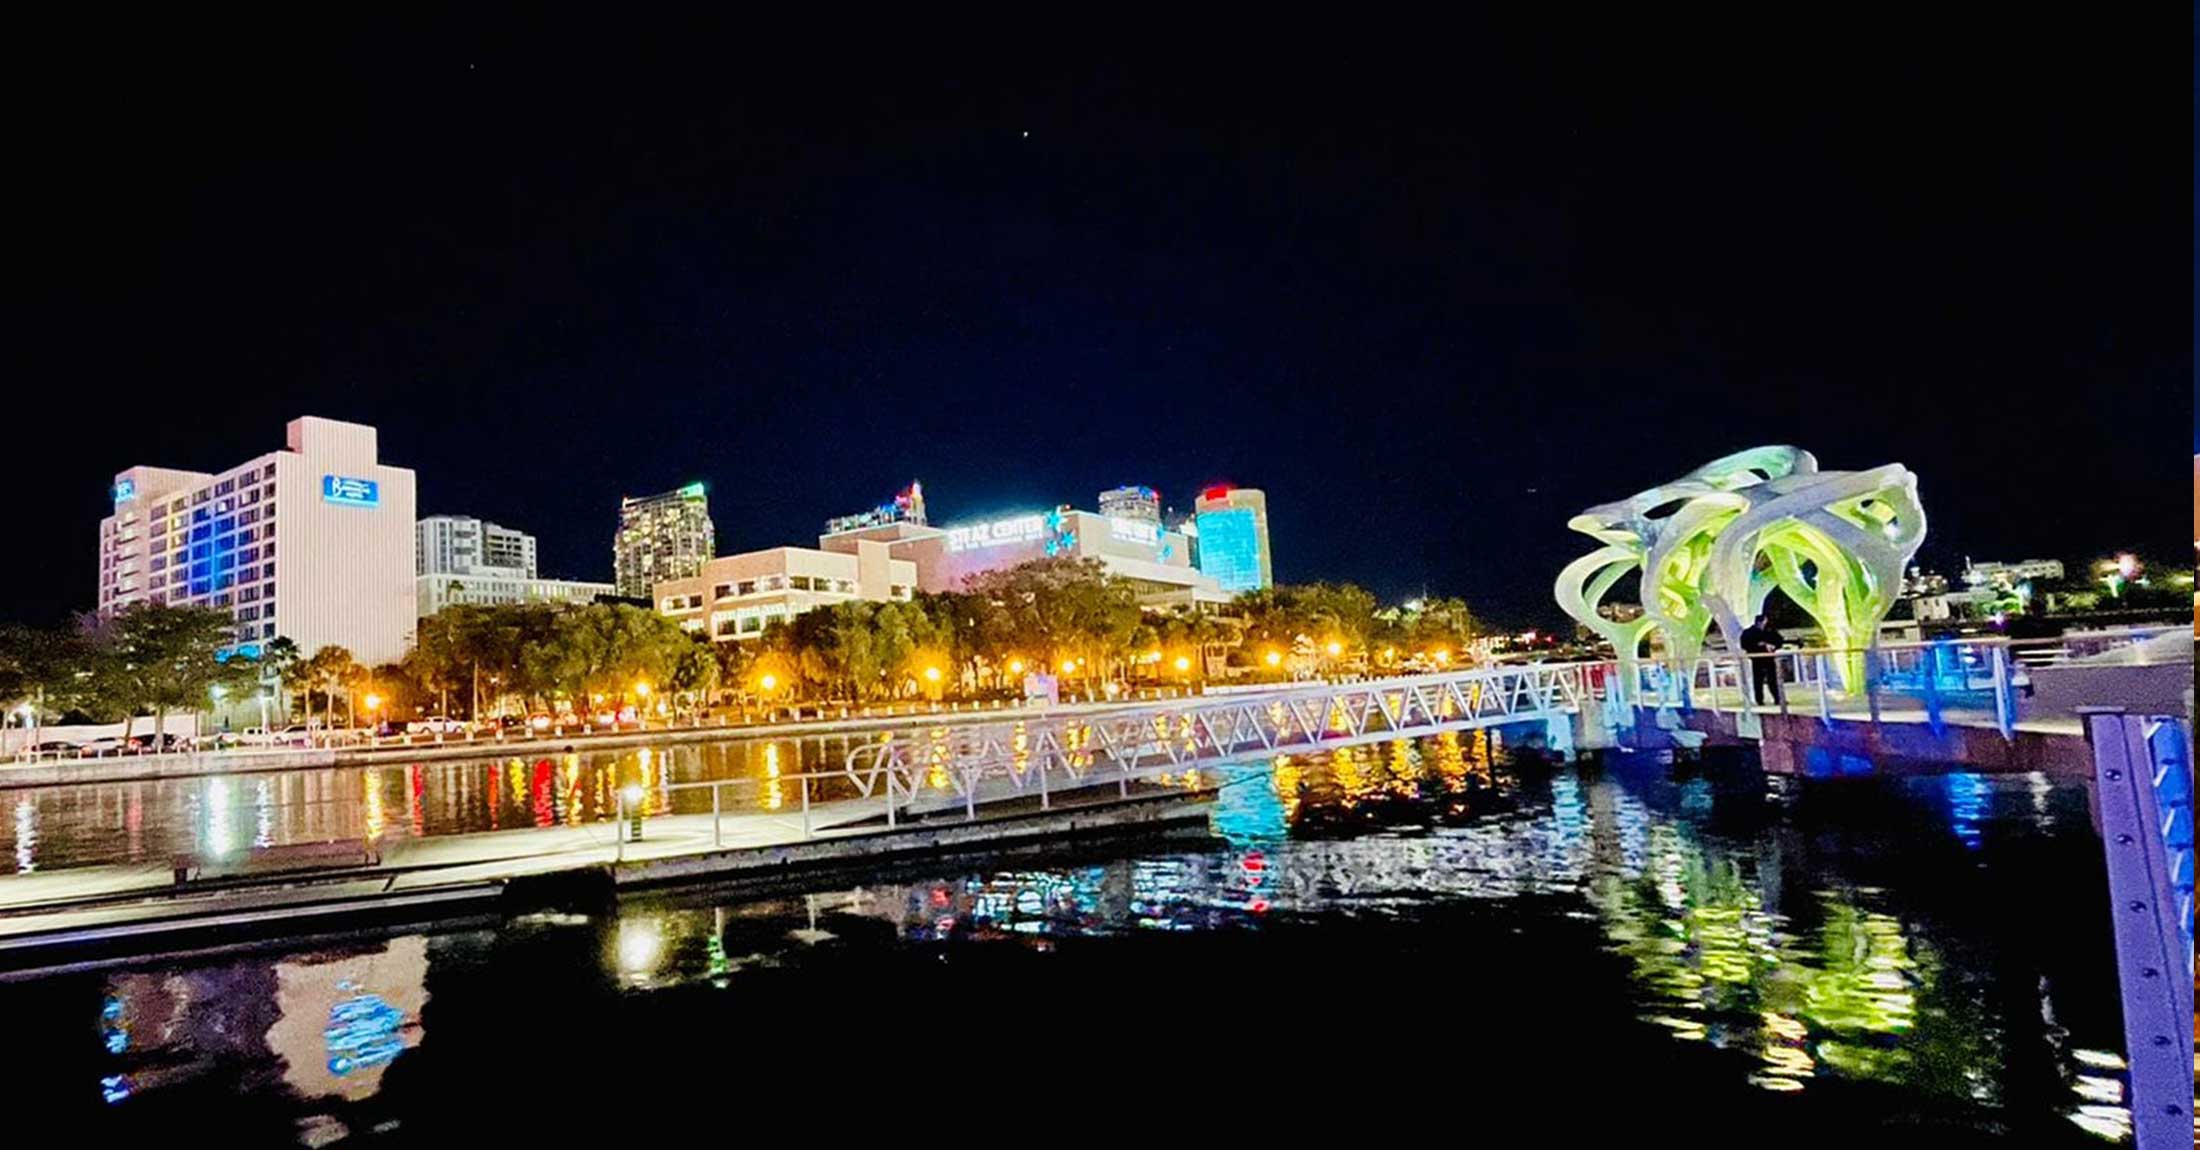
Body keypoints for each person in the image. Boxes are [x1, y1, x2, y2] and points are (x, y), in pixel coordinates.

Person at [1739, 613, 1785, 706]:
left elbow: (1779, 640)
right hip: (1757, 659)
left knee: (1772, 679)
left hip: (1769, 658)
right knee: (1758, 680)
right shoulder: (1749, 632)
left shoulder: (1769, 631)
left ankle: (1777, 698)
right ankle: (1759, 700)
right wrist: (1759, 645)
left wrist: (1773, 646)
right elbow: (1745, 645)